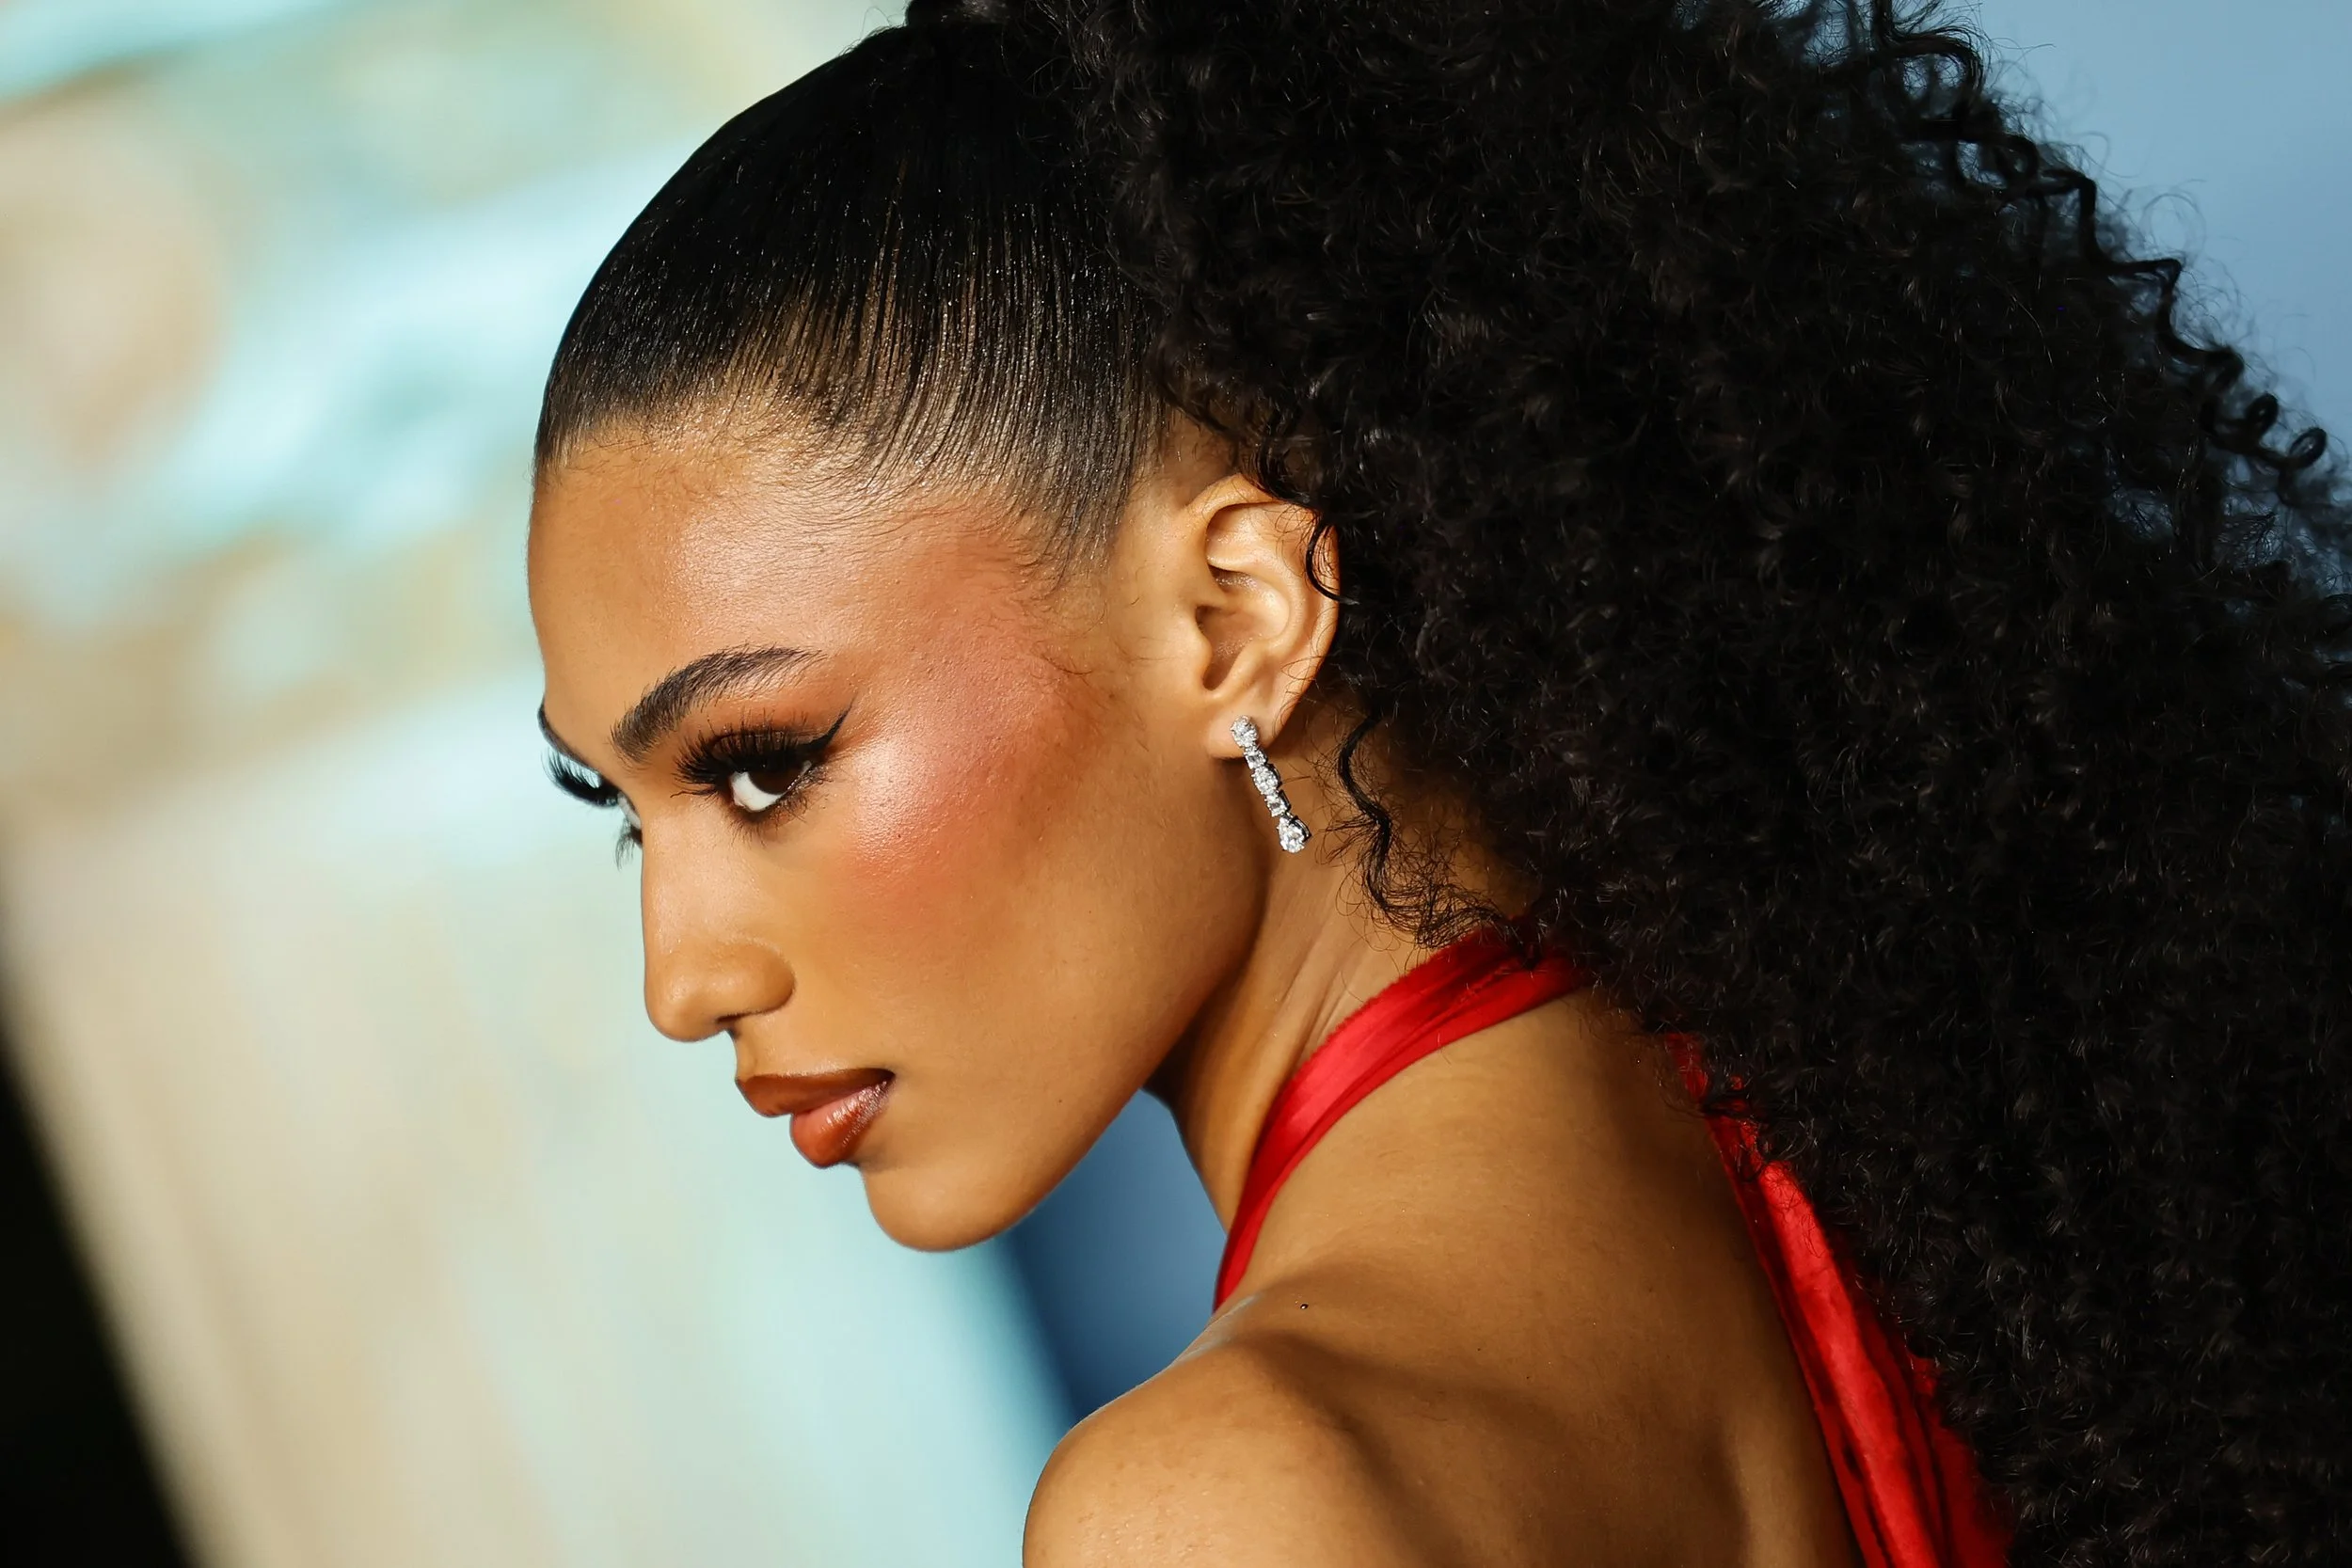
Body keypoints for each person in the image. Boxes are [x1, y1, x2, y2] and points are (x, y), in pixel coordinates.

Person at [523, 2, 2350, 1563]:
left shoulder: (1226, 1502)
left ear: (1233, 612)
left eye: (760, 767)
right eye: (619, 808)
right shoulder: (1912, 1143)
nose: (683, 977)